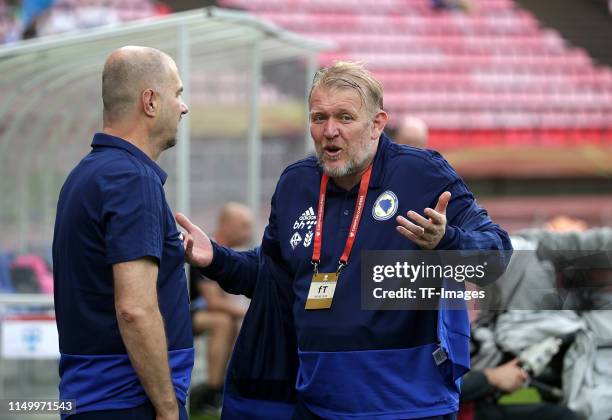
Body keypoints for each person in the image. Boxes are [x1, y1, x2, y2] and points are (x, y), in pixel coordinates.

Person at [178, 61, 512, 419]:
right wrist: (216, 258)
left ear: (377, 125)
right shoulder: (296, 184)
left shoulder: (423, 174)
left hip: (410, 406)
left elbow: (497, 253)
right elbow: (273, 277)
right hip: (316, 403)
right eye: (319, 118)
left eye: (345, 117)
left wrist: (447, 241)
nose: (330, 130)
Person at [52, 46, 191, 420]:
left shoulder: (87, 174)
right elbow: (134, 308)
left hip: (89, 400)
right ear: (150, 101)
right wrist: (166, 409)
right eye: (177, 94)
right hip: (129, 402)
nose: (183, 106)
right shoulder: (132, 178)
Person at [190, 202, 253, 410]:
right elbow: (213, 302)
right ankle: (212, 391)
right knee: (223, 322)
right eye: (244, 226)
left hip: (199, 313)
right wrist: (251, 312)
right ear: (226, 225)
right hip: (183, 314)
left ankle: (229, 385)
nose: (249, 233)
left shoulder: (228, 254)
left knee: (233, 320)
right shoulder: (208, 251)